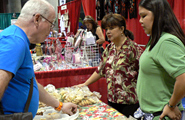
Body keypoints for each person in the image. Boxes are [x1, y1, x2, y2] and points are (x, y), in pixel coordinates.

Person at [0, 0, 77, 118]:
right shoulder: (15, 41)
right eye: (51, 24)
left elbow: (29, 82)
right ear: (37, 19)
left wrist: (59, 105)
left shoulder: (18, 38)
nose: (51, 30)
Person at [74, 13, 143, 117]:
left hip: (130, 103)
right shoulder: (109, 49)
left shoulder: (133, 49)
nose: (108, 32)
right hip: (112, 100)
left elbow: (144, 73)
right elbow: (101, 70)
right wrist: (85, 84)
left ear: (121, 29)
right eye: (106, 29)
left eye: (111, 28)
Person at [136, 0, 185, 120]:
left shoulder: (166, 41)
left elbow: (183, 78)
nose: (140, 21)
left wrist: (171, 105)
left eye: (144, 16)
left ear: (158, 15)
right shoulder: (157, 40)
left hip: (162, 114)